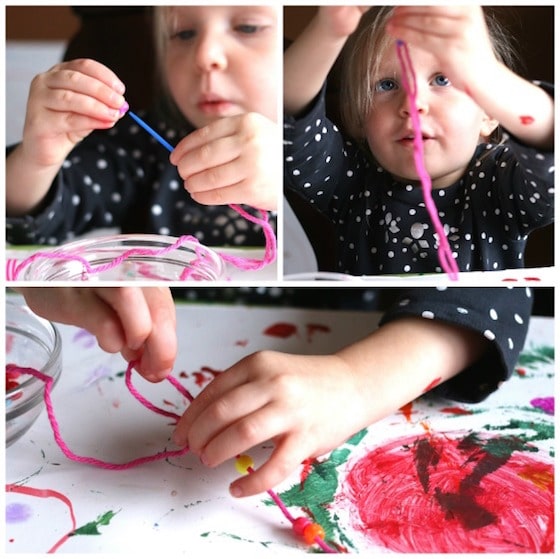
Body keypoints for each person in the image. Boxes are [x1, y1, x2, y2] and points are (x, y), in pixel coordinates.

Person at [17, 286, 533, 498]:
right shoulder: (123, 155)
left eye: (252, 44)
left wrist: (355, 380)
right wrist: (37, 261)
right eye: (183, 43)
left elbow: (491, 292)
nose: (211, 55)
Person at [284, 6, 554, 274]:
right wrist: (329, 29)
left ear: (490, 113)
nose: (413, 104)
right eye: (387, 85)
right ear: (360, 120)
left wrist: (485, 74)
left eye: (441, 79)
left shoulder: (503, 184)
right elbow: (291, 119)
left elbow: (551, 150)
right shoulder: (349, 181)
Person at [6, 5, 279, 247]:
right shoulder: (141, 147)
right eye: (183, 33)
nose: (205, 55)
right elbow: (31, 225)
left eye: (248, 27)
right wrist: (37, 159)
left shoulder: (315, 156)